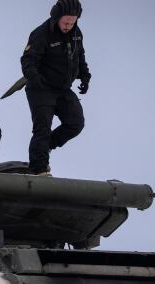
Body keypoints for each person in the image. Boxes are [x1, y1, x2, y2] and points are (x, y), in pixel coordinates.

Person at [21, 0, 90, 176]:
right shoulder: (41, 34)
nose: (69, 26)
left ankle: (43, 147)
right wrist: (34, 77)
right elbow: (27, 60)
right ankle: (39, 169)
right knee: (42, 129)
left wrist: (84, 75)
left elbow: (79, 55)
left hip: (62, 89)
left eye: (73, 22)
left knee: (76, 123)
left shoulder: (76, 33)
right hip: (41, 88)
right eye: (66, 22)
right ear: (57, 17)